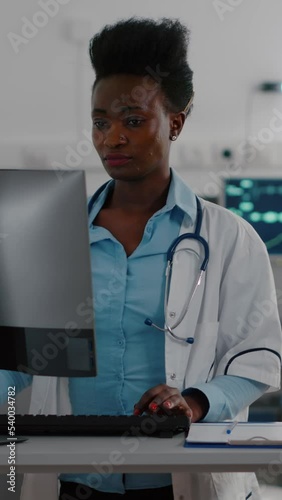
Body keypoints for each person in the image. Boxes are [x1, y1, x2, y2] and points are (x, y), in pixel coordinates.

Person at [1, 17, 282, 500]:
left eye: (132, 120)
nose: (112, 138)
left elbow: (259, 360)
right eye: (100, 122)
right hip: (73, 480)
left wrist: (194, 402)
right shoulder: (51, 235)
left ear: (174, 122)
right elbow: (13, 362)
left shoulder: (231, 238)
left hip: (181, 481)